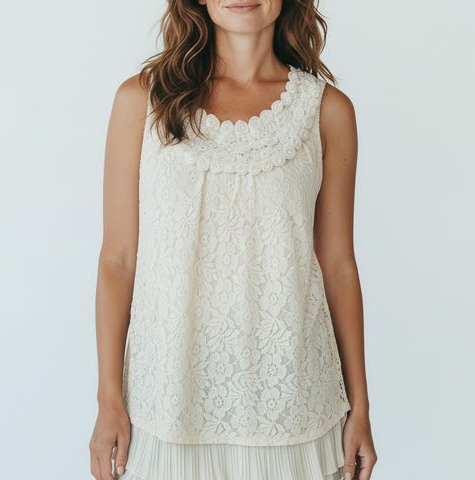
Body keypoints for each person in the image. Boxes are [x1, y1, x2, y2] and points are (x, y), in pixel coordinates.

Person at [89, 0, 378, 479]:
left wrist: (361, 408)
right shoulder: (141, 100)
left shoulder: (327, 111)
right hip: (167, 404)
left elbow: (338, 267)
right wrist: (108, 400)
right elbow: (117, 260)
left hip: (294, 405)